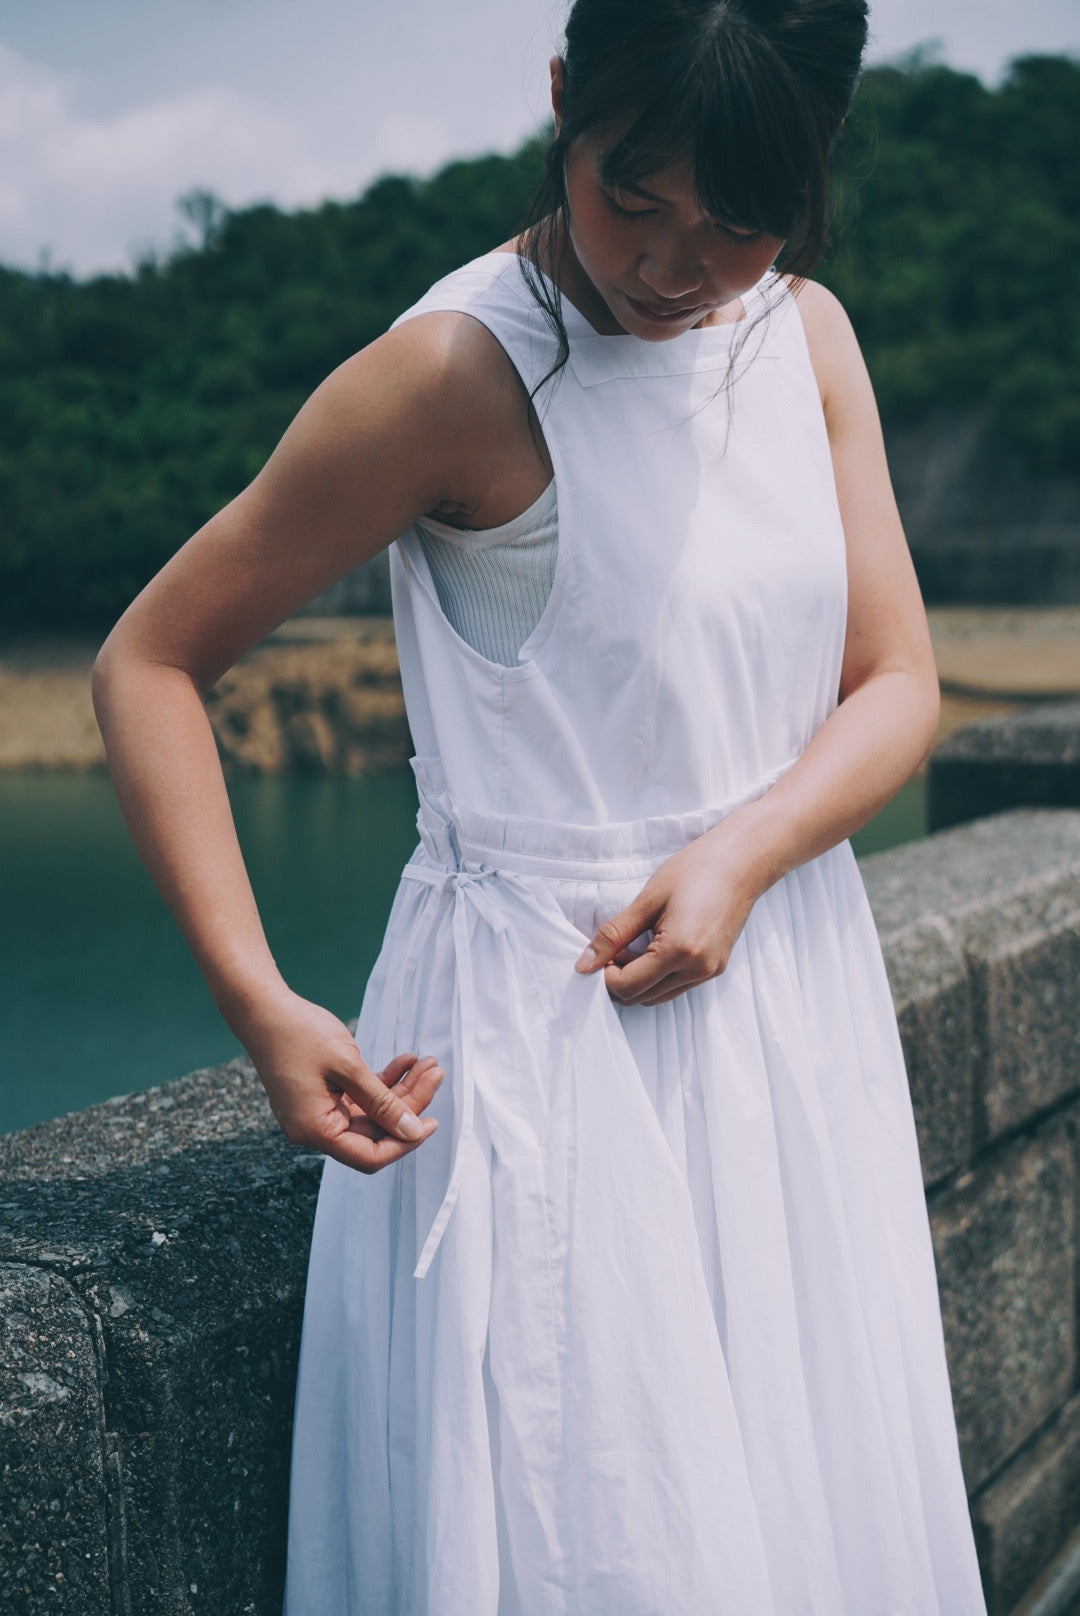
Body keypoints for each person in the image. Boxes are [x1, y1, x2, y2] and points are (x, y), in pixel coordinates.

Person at [92, 1, 990, 1610]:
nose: (675, 261)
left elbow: (900, 679)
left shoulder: (806, 334)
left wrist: (744, 852)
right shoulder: (451, 371)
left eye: (739, 216)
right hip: (547, 1056)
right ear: (566, 102)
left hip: (779, 1006)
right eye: (632, 195)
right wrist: (257, 998)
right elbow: (150, 663)